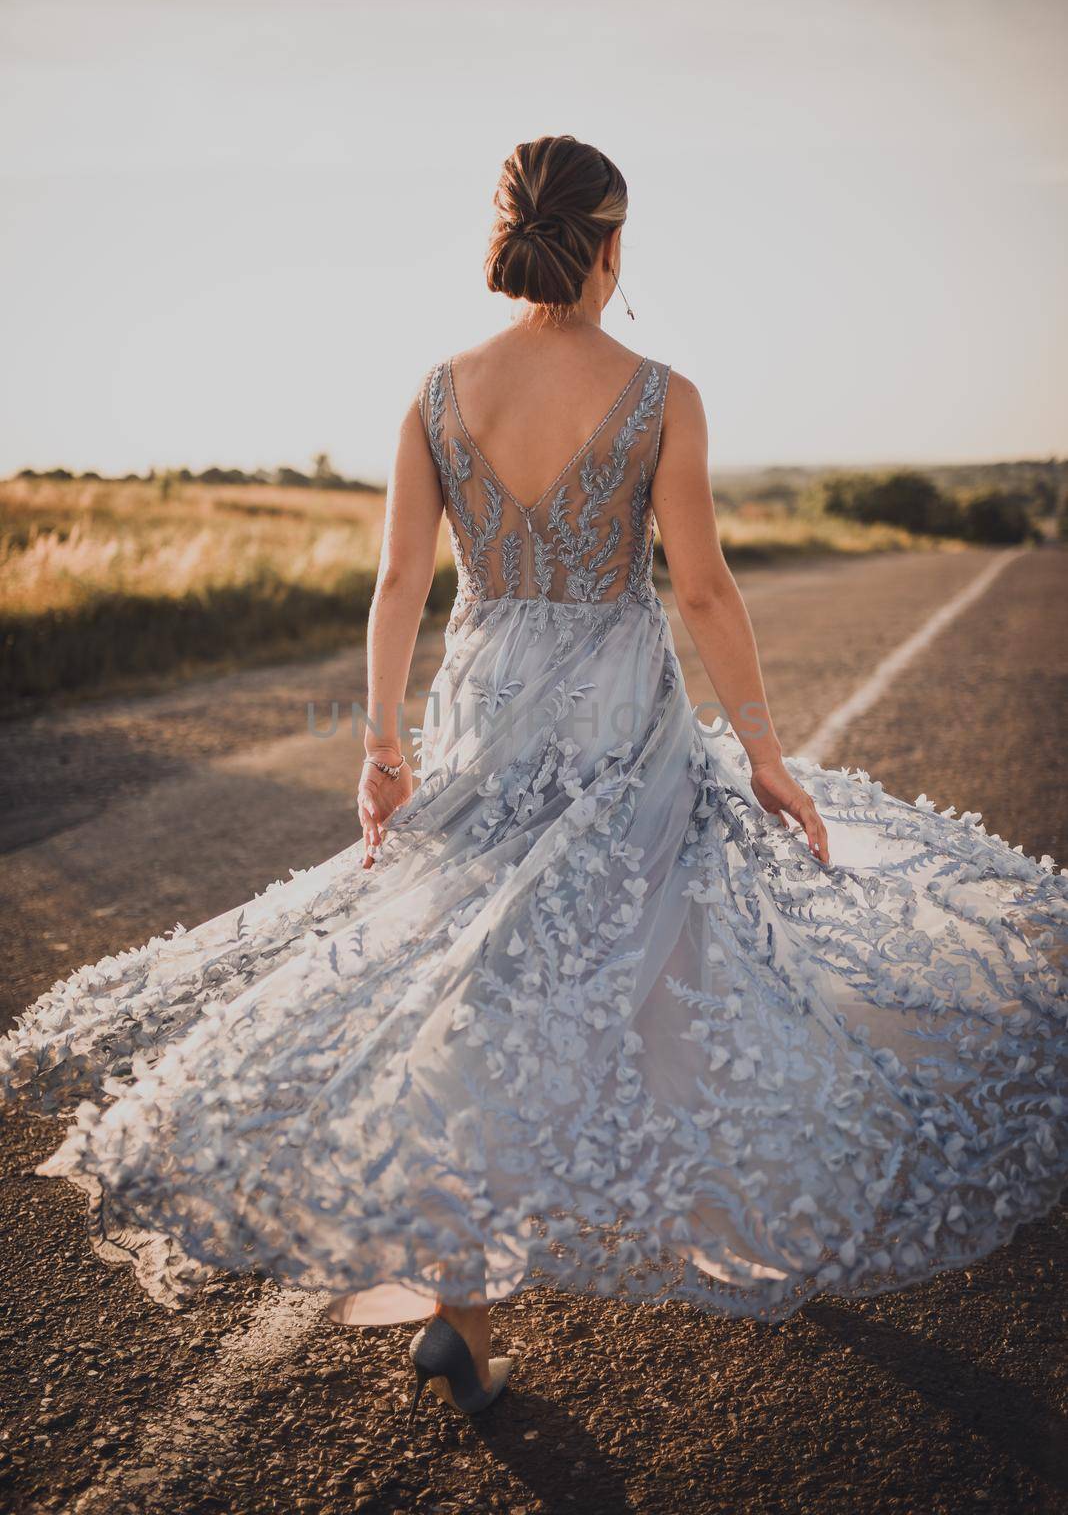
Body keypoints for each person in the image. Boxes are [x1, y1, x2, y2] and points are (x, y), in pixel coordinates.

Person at [2, 135, 1065, 1426]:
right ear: (610, 243)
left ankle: (463, 1309)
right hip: (620, 709)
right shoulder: (663, 393)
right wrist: (768, 753)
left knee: (472, 960)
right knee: (672, 933)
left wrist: (381, 743)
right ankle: (741, 1208)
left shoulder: (439, 395)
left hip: (490, 702)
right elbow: (705, 587)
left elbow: (400, 584)